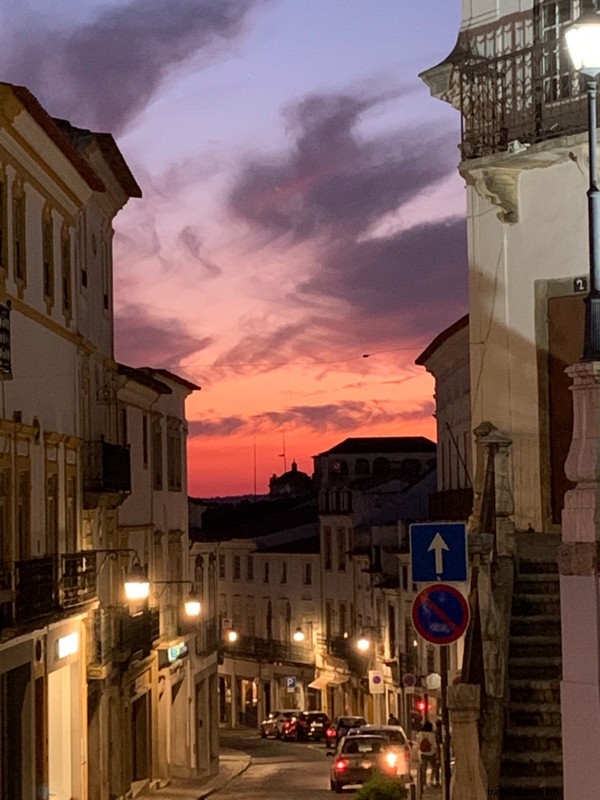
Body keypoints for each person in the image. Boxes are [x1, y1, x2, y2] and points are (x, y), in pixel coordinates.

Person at [416, 720, 438, 793]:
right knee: (434, 767)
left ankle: (424, 783)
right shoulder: (432, 735)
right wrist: (436, 751)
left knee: (423, 769)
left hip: (423, 754)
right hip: (431, 753)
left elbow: (418, 744)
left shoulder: (420, 734)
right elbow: (434, 745)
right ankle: (431, 781)